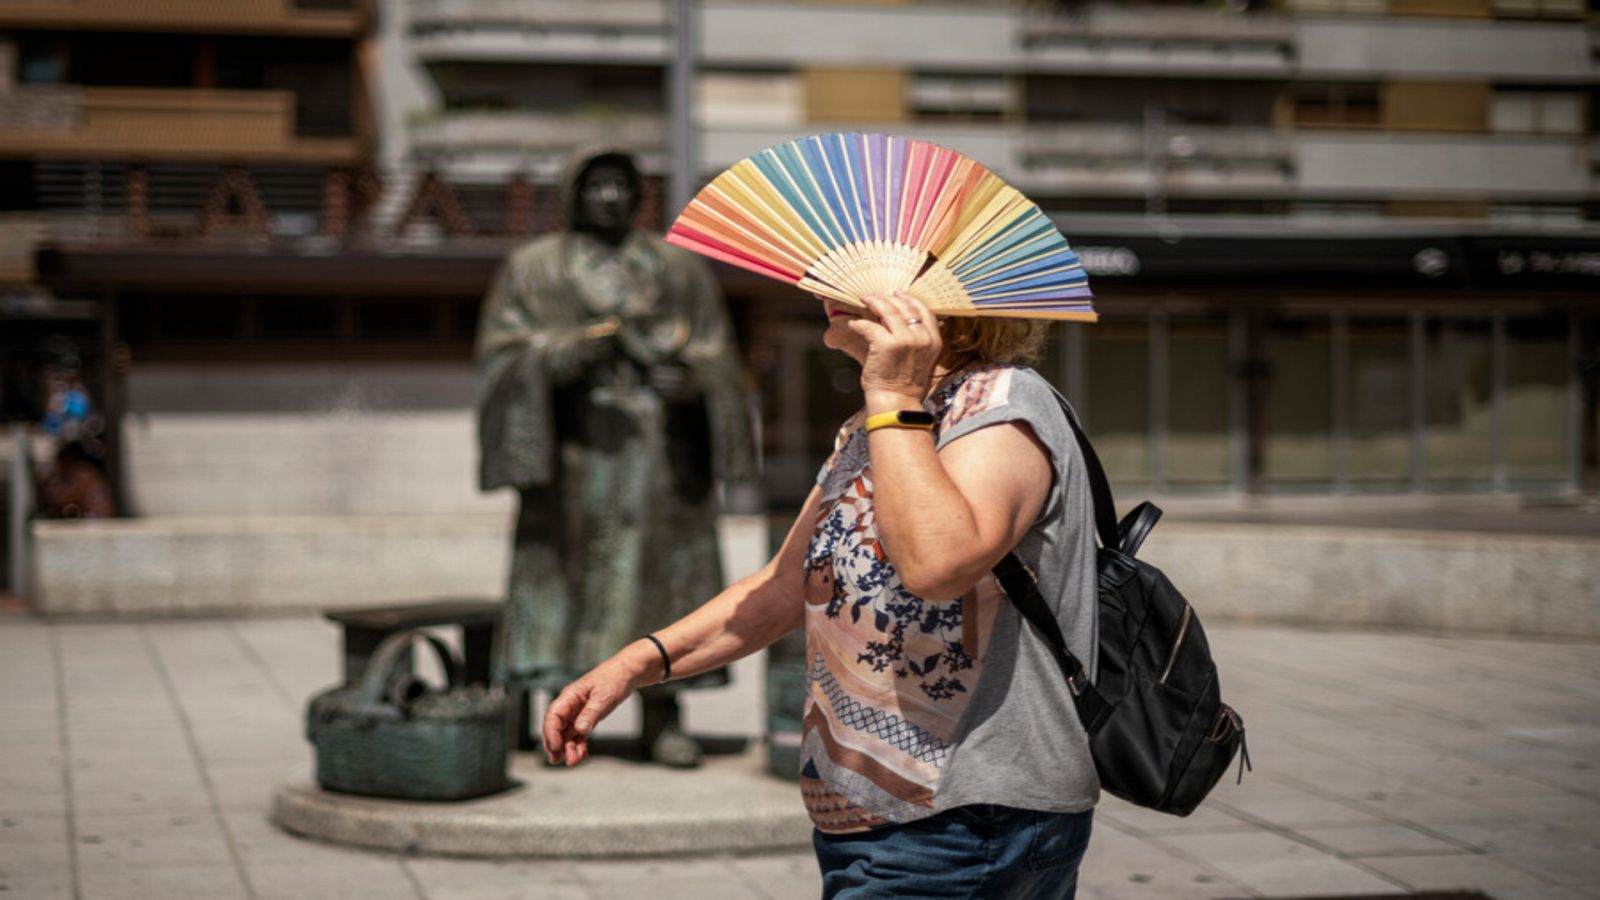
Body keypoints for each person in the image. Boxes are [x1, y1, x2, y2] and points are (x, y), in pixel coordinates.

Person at [543, 290, 1100, 898]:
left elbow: (939, 564)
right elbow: (784, 585)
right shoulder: (869, 427)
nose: (832, 292)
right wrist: (635, 663)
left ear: (946, 301)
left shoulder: (1002, 403)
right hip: (867, 816)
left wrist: (892, 396)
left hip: (967, 821)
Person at [475, 148, 756, 768]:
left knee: (662, 583)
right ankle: (565, 711)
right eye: (595, 186)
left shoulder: (679, 270)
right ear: (572, 194)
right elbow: (501, 357)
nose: (608, 198)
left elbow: (717, 356)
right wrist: (566, 355)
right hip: (574, 451)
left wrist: (691, 384)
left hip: (660, 453)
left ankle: (664, 717)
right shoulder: (532, 269)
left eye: (619, 185)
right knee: (568, 579)